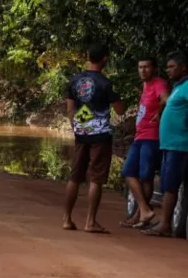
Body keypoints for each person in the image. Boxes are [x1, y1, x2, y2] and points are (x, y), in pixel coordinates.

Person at [63, 43, 125, 234]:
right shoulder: (105, 83)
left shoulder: (74, 80)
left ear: (88, 56)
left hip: (81, 132)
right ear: (105, 58)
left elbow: (70, 109)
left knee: (75, 176)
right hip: (100, 134)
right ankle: (90, 222)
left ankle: (67, 219)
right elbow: (120, 109)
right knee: (96, 178)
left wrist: (78, 126)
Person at [141, 51, 188, 237]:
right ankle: (166, 223)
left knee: (170, 186)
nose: (168, 70)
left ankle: (165, 224)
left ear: (183, 67)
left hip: (180, 145)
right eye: (167, 67)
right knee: (168, 184)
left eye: (172, 66)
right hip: (170, 145)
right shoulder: (179, 86)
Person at [120, 57, 170, 229]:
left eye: (147, 67)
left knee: (145, 177)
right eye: (140, 67)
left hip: (152, 137)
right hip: (140, 136)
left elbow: (166, 99)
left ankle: (139, 216)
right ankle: (143, 210)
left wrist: (161, 112)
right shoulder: (145, 85)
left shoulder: (159, 83)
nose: (143, 70)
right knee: (128, 171)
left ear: (154, 68)